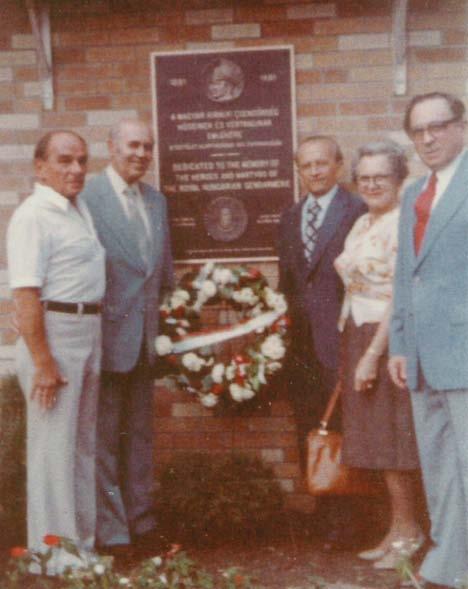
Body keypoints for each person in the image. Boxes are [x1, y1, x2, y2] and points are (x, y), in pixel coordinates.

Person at [7, 131, 105, 574]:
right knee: (52, 449)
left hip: (87, 330)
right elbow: (26, 293)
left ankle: (79, 549)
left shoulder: (76, 209)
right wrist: (43, 363)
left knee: (80, 447)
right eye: (65, 160)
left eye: (82, 161)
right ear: (39, 166)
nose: (77, 169)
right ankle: (51, 556)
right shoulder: (33, 216)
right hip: (56, 336)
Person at [81, 119, 174, 557]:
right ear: (111, 147)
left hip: (144, 341)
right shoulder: (87, 197)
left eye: (147, 146)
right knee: (104, 441)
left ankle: (142, 520)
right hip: (103, 339)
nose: (141, 153)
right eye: (133, 145)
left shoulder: (155, 201)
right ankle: (112, 531)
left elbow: (161, 273)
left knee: (139, 436)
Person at [389, 91, 468, 589]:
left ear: (461, 126)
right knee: (440, 468)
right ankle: (449, 566)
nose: (428, 138)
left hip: (464, 351)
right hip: (420, 355)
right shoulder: (415, 192)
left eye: (437, 126)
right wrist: (399, 343)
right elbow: (404, 274)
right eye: (418, 131)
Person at [334, 140, 423, 569]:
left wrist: (372, 353)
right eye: (364, 177)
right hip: (357, 331)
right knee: (378, 437)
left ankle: (411, 531)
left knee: (394, 439)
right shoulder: (364, 223)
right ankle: (397, 528)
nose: (370, 184)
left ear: (399, 180)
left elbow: (398, 296)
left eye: (380, 177)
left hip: (386, 339)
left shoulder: (401, 224)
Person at [277, 135, 366, 549]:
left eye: (322, 163)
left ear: (338, 165)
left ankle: (348, 523)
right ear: (298, 170)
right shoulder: (290, 218)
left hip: (342, 343)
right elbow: (288, 283)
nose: (314, 171)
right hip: (301, 349)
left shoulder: (357, 211)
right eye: (306, 165)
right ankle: (322, 512)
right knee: (308, 431)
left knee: (345, 434)